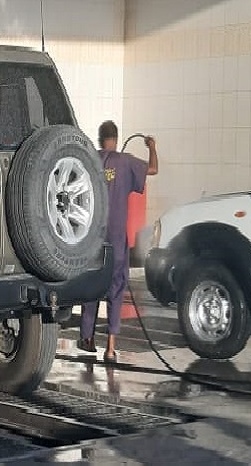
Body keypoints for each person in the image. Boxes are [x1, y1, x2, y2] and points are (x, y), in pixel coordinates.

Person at [78, 120, 158, 363]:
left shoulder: (89, 159)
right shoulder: (126, 162)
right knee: (116, 288)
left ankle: (87, 337)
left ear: (100, 138)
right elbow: (153, 169)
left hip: (92, 237)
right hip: (116, 238)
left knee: (91, 284)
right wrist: (152, 147)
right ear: (116, 138)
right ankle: (111, 348)